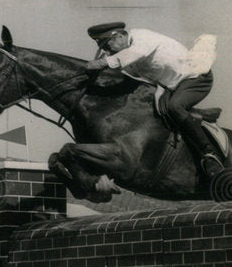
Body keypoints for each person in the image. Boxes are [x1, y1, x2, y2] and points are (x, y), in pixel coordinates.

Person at [85, 22, 224, 179]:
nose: (107, 51)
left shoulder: (142, 38)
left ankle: (209, 154)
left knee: (174, 107)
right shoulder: (127, 53)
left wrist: (102, 62)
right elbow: (127, 72)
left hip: (196, 78)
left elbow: (129, 56)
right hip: (172, 85)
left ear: (119, 36)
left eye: (108, 45)